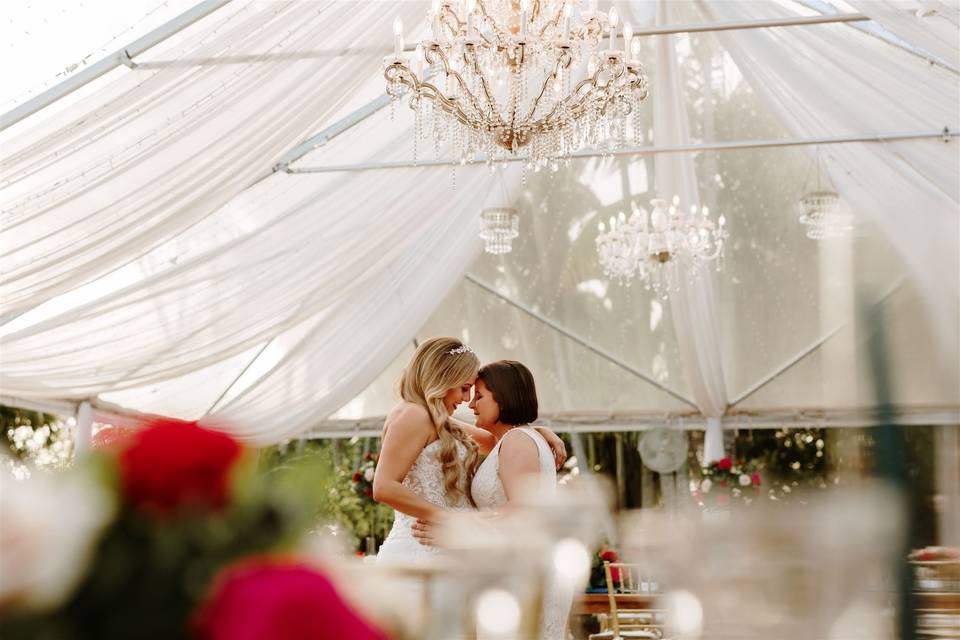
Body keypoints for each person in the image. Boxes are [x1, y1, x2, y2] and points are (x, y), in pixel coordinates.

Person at [413, 360, 571, 640]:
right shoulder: (513, 439)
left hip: (523, 574)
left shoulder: (517, 441)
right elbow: (443, 423)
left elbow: (522, 512)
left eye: (480, 396)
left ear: (505, 396)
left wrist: (454, 529)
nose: (471, 405)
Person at [373, 339, 565, 564]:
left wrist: (539, 431)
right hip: (420, 551)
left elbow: (497, 442)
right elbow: (383, 487)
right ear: (443, 379)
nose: (466, 400)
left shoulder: (439, 421)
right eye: (464, 389)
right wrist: (455, 522)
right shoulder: (413, 414)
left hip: (451, 553)